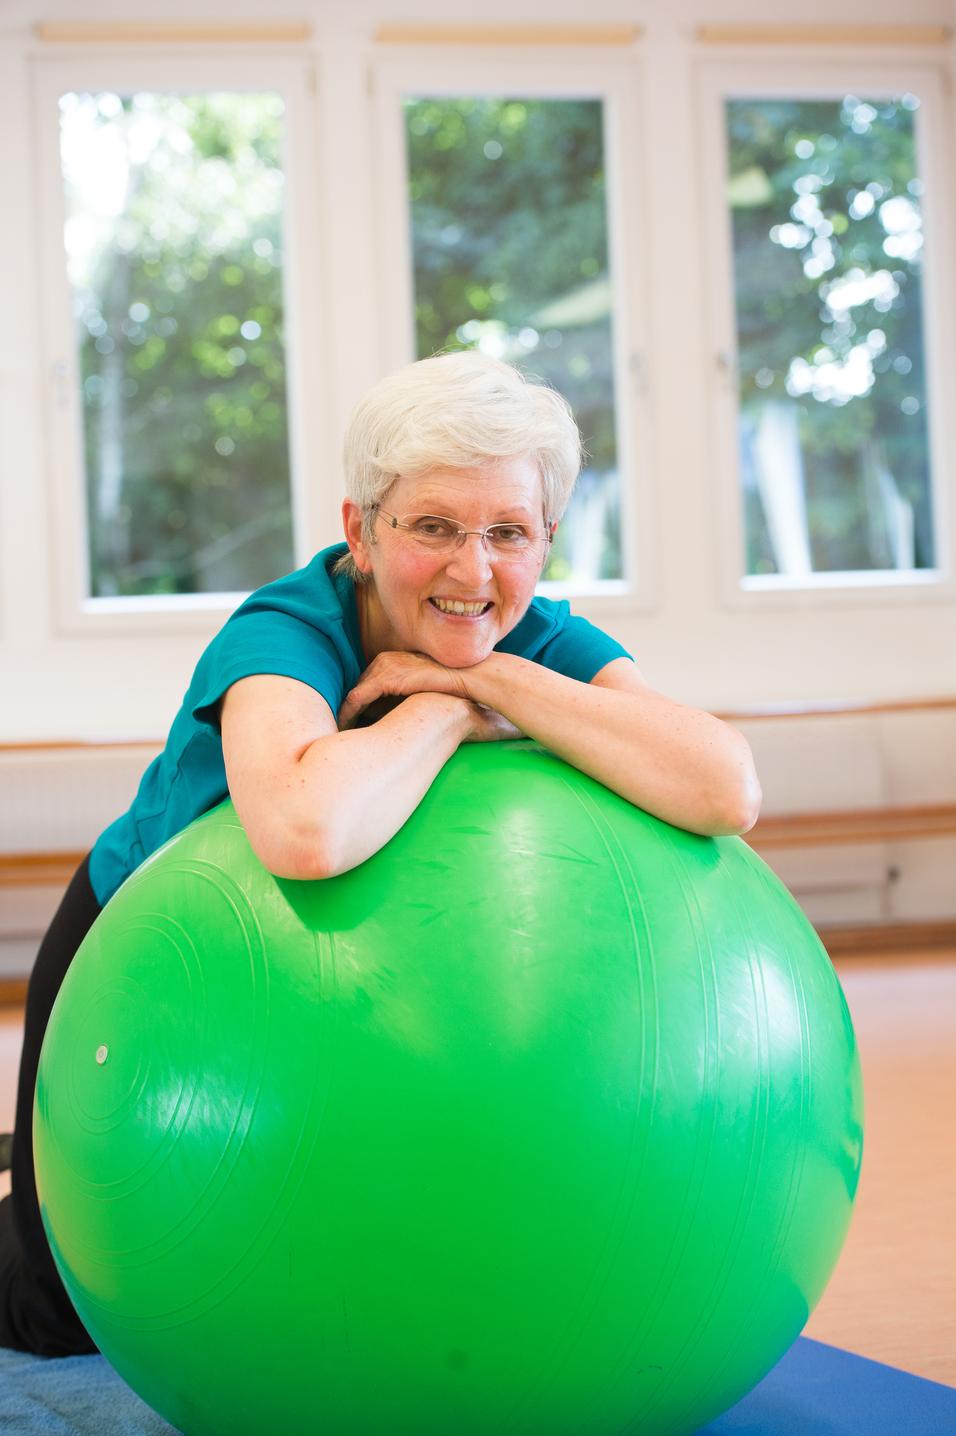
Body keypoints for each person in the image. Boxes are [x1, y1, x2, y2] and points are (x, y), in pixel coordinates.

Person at [0, 351, 761, 1356]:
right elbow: (306, 830)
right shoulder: (286, 628)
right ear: (360, 529)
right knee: (58, 1310)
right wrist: (445, 710)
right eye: (432, 526)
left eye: (507, 533)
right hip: (143, 961)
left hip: (368, 1000)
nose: (471, 569)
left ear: (546, 539)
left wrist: (484, 678)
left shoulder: (527, 631)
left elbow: (723, 785)